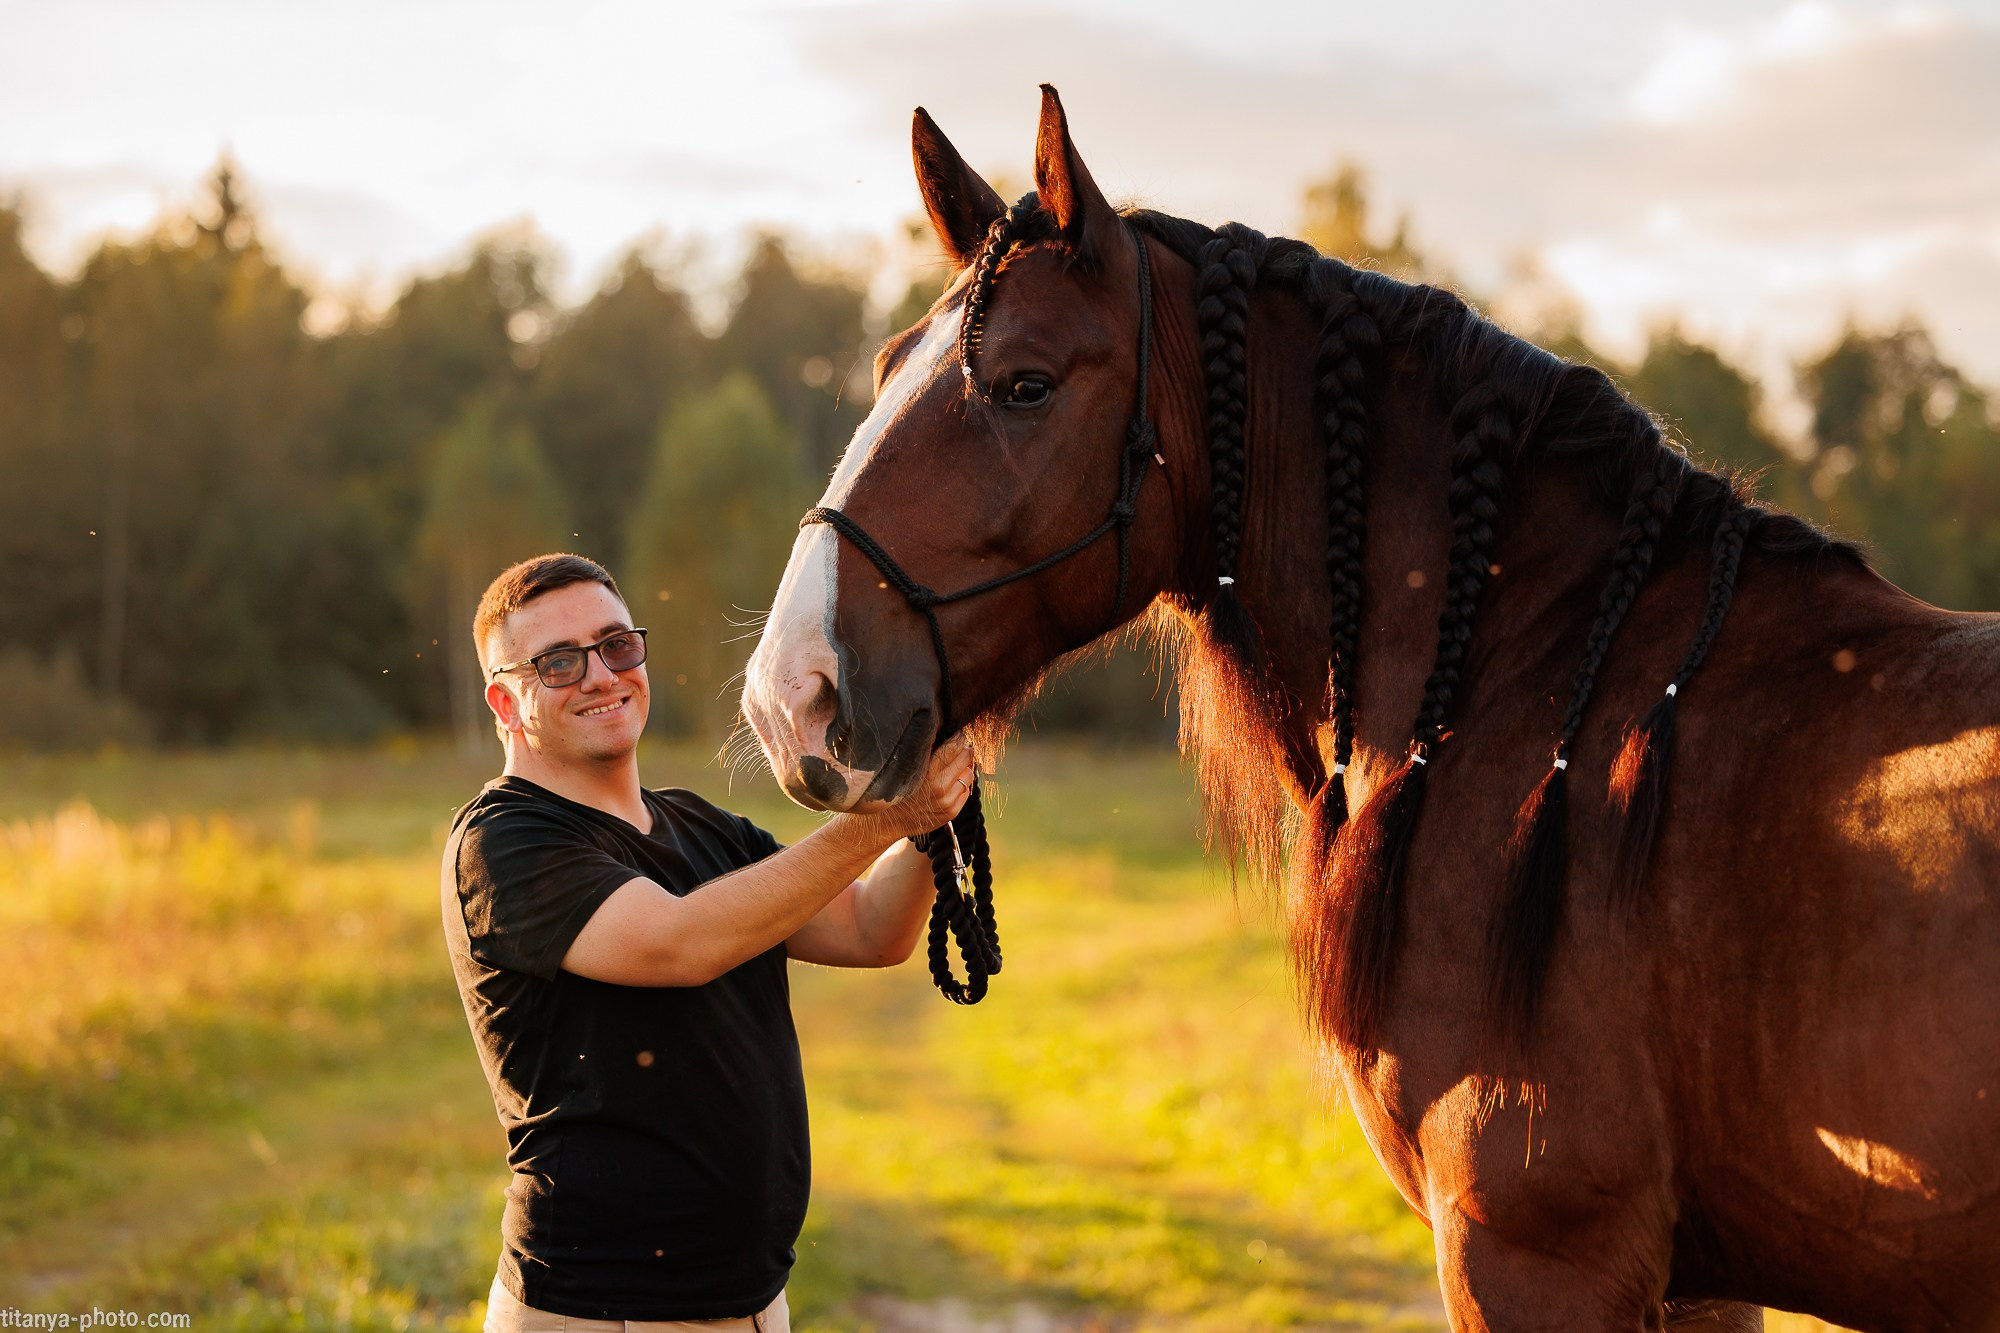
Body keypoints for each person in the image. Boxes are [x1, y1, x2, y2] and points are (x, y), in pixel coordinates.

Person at [440, 553, 972, 1332]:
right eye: (558, 662)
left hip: (751, 1306)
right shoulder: (503, 840)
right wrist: (885, 818)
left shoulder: (698, 825)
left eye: (616, 645)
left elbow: (870, 929)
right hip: (599, 1312)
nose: (599, 674)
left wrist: (935, 807)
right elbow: (677, 944)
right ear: (504, 701)